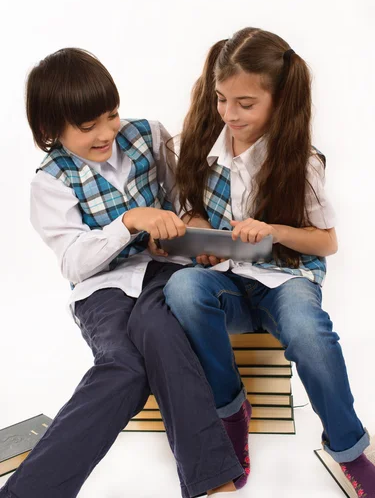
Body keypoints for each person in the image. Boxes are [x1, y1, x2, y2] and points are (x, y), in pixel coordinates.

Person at [161, 27, 375, 497]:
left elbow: (326, 242)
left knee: (310, 334)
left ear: (279, 100)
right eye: (221, 99)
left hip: (284, 279)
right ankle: (231, 411)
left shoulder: (299, 160)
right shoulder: (202, 148)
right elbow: (191, 210)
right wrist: (196, 228)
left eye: (245, 104)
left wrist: (273, 232)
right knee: (182, 289)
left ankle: (350, 451)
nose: (229, 114)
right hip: (225, 283)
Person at [0, 48, 244, 498]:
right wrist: (130, 221)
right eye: (87, 127)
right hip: (103, 287)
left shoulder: (148, 136)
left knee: (161, 331)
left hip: (166, 269)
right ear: (50, 130)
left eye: (110, 116)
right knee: (125, 369)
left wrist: (178, 229)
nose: (105, 133)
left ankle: (214, 483)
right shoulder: (49, 182)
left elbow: (183, 199)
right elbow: (73, 261)